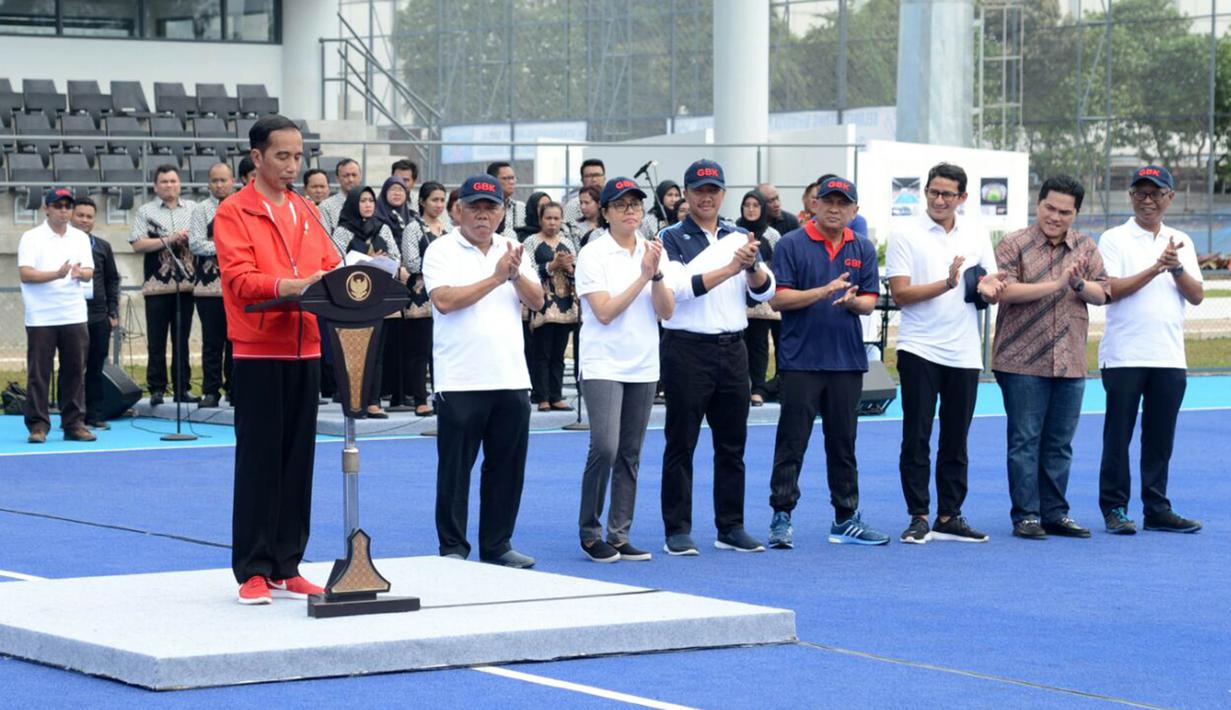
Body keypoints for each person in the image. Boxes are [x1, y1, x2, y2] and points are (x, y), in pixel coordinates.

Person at [214, 114, 341, 605]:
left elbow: (329, 264)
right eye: (282, 156)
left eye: (298, 156)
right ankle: (252, 568)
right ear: (257, 158)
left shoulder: (306, 210)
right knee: (259, 462)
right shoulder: (233, 212)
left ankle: (288, 564)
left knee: (298, 460)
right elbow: (240, 279)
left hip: (306, 345)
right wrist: (289, 287)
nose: (292, 165)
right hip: (258, 349)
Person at [423, 175, 545, 568]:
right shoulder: (441, 250)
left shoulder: (514, 250)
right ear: (458, 210)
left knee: (506, 470)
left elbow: (538, 300)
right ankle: (453, 548)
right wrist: (495, 277)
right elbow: (443, 301)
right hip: (460, 379)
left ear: (502, 211)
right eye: (474, 207)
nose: (482, 214)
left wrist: (514, 273)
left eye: (491, 207)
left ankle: (497, 545)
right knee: (456, 472)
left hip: (510, 377)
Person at [658, 159, 775, 555]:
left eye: (713, 190)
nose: (706, 197)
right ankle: (677, 529)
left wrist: (753, 267)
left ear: (722, 194)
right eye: (699, 190)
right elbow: (679, 289)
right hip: (688, 348)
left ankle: (731, 526)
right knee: (682, 442)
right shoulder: (670, 237)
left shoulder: (740, 235)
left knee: (732, 445)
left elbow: (763, 291)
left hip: (732, 347)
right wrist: (731, 266)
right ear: (687, 195)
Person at [886, 162, 1003, 544]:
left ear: (962, 198)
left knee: (956, 438)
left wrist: (989, 288)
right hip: (919, 348)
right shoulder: (905, 233)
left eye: (947, 194)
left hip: (965, 351)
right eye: (933, 192)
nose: (939, 200)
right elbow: (901, 295)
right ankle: (918, 515)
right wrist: (946, 283)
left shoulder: (975, 233)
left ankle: (949, 515)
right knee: (916, 436)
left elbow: (989, 278)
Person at [766, 177, 884, 548]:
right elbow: (779, 300)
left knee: (843, 443)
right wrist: (824, 291)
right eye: (828, 201)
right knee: (792, 441)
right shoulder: (790, 244)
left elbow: (869, 301)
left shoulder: (862, 248)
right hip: (801, 361)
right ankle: (781, 516)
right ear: (813, 205)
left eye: (843, 203)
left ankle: (846, 518)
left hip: (846, 362)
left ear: (854, 210)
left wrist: (851, 302)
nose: (835, 208)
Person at [993, 175, 1108, 540]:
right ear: (1038, 204)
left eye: (1064, 211)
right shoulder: (1015, 243)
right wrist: (1057, 284)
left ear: (1075, 213)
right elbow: (1005, 290)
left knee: (1059, 442)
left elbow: (1103, 293)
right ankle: (1026, 515)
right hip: (1020, 359)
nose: (1055, 217)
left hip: (1070, 360)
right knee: (1025, 440)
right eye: (1049, 208)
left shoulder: (1086, 247)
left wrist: (1077, 285)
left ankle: (1055, 512)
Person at [1097, 165, 1205, 535]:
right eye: (1140, 193)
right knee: (1118, 437)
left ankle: (1156, 507)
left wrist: (1175, 269)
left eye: (1156, 193)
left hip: (1169, 356)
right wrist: (1156, 267)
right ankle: (1115, 508)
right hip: (1125, 355)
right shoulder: (1113, 239)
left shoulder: (1181, 241)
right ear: (1130, 197)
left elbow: (1197, 296)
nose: (1148, 200)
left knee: (1160, 439)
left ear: (1169, 198)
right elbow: (1111, 288)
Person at [574, 176, 675, 562]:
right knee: (605, 446)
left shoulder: (651, 252)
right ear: (606, 212)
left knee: (631, 452)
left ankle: (619, 533)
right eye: (621, 205)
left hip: (644, 362)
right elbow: (604, 311)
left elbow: (666, 311)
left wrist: (658, 273)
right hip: (603, 361)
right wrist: (644, 276)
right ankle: (589, 530)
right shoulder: (594, 253)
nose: (630, 211)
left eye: (635, 205)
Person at [19, 187, 96, 444]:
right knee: (39, 373)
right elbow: (26, 274)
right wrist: (57, 273)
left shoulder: (80, 238)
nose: (64, 211)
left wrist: (80, 273)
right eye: (58, 206)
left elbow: (89, 270)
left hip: (73, 313)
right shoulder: (31, 238)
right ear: (47, 209)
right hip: (41, 316)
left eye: (67, 206)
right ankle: (38, 425)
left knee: (74, 370)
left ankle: (73, 423)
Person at [331, 186, 404, 418]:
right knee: (352, 352)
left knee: (376, 351)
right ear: (354, 204)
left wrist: (383, 262)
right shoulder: (343, 230)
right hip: (350, 298)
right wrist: (367, 260)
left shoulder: (382, 227)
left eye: (371, 200)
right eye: (362, 201)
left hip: (376, 295)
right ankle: (354, 402)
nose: (368, 205)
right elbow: (335, 258)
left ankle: (373, 402)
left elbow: (396, 256)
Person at [129, 164, 197, 405]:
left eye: (173, 181)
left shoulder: (193, 208)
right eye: (164, 182)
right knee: (156, 340)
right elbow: (137, 244)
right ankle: (156, 388)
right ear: (156, 187)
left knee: (182, 339)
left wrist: (189, 236)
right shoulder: (145, 211)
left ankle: (182, 388)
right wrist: (169, 239)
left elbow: (203, 238)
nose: (169, 185)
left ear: (180, 184)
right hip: (157, 285)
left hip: (185, 284)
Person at [188, 162, 236, 409]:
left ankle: (234, 388)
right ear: (208, 183)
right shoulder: (200, 210)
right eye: (215, 180)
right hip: (208, 287)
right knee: (212, 341)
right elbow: (196, 244)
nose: (219, 185)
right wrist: (227, 248)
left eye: (223, 180)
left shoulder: (241, 206)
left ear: (233, 181)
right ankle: (210, 390)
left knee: (236, 340)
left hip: (236, 286)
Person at [71, 197, 120, 430]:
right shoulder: (63, 245)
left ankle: (95, 414)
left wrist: (113, 310)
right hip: (70, 313)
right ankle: (70, 416)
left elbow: (112, 280)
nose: (84, 220)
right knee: (72, 367)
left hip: (98, 314)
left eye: (89, 216)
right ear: (72, 216)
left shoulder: (102, 246)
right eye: (80, 215)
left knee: (96, 366)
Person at [400, 181, 448, 416]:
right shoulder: (413, 228)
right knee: (420, 351)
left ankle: (442, 396)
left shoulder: (447, 227)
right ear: (422, 202)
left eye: (442, 200)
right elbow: (410, 262)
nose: (439, 205)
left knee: (441, 350)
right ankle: (420, 398)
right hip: (420, 296)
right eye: (434, 200)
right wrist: (438, 265)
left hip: (445, 296)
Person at [525, 201, 578, 411]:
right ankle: (542, 395)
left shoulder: (567, 241)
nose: (553, 222)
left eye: (556, 218)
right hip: (542, 303)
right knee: (542, 352)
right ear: (540, 219)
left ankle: (556, 395)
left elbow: (577, 270)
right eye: (548, 218)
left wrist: (569, 268)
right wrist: (551, 266)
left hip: (564, 304)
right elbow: (527, 271)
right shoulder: (531, 242)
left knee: (558, 353)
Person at [737, 190, 782, 407]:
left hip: (763, 297)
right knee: (739, 344)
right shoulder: (734, 230)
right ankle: (740, 386)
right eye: (747, 205)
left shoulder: (772, 234)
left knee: (759, 344)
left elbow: (780, 262)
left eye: (756, 205)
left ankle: (758, 388)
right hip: (737, 297)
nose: (751, 209)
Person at [816, 174, 869, 240]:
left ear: (854, 211)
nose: (834, 210)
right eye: (828, 201)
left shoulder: (864, 247)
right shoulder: (799, 241)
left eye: (842, 204)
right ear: (816, 205)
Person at [319, 158, 362, 235]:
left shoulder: (370, 204)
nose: (351, 179)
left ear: (360, 177)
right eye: (346, 176)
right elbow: (325, 238)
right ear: (337, 179)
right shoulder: (326, 207)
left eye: (354, 175)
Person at [486, 161, 525, 236]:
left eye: (513, 178)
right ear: (492, 180)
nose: (511, 182)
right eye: (506, 178)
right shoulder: (484, 208)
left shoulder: (521, 207)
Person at [565, 158, 606, 225]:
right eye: (589, 176)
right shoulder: (573, 205)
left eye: (597, 175)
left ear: (604, 178)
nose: (594, 180)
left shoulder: (612, 201)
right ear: (582, 180)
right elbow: (567, 230)